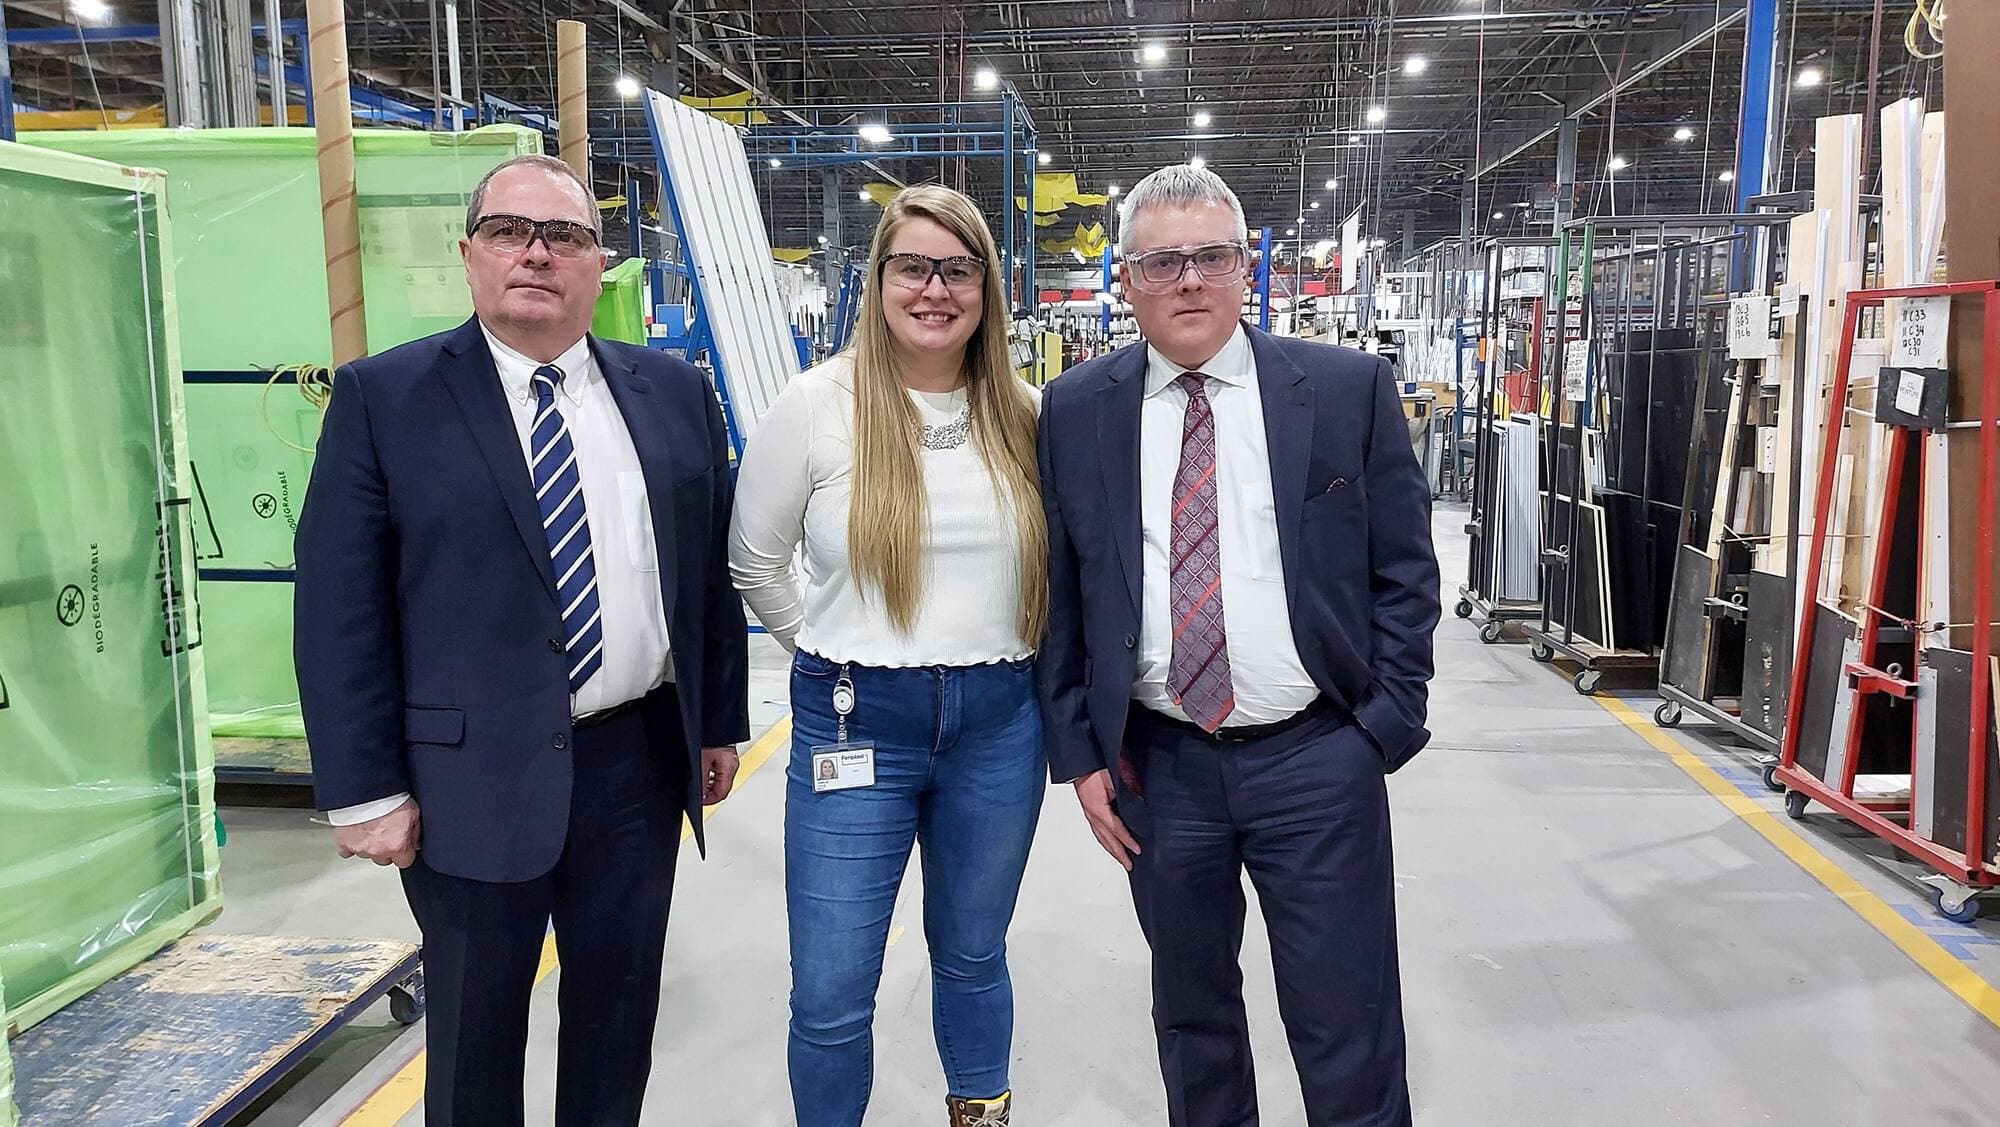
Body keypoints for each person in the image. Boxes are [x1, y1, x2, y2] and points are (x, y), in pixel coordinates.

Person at [294, 154, 749, 1127]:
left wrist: (715, 722)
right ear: (469, 255)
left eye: (565, 236)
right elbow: (340, 609)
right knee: (473, 1036)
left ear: (598, 263)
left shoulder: (671, 392)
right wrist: (364, 787)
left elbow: (703, 575)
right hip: (469, 779)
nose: (536, 253)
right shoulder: (387, 398)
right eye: (509, 231)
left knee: (616, 1020)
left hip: (634, 765)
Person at [1036, 163, 1440, 1126]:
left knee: (1347, 1020)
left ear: (1246, 267)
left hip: (1316, 758)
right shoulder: (1078, 407)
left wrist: (1379, 729)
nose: (1190, 280)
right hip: (1159, 768)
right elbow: (1061, 590)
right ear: (1125, 279)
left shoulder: (1346, 389)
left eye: (1212, 257)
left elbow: (1407, 572)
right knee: (1193, 1021)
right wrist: (1080, 754)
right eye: (1163, 261)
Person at [730, 184, 1046, 1127]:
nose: (935, 289)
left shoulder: (1027, 413)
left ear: (988, 287)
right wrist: (834, 649)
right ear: (878, 281)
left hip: (1000, 725)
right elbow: (755, 557)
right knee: (830, 990)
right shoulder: (815, 406)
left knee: (974, 955)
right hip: (853, 725)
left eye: (958, 269)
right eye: (913, 267)